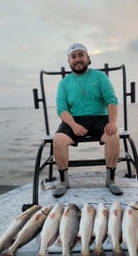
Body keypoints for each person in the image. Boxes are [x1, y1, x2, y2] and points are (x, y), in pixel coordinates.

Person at [52, 43, 123, 197]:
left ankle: (110, 180)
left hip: (100, 118)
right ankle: (64, 181)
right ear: (69, 61)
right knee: (58, 139)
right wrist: (73, 125)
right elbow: (62, 109)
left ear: (88, 58)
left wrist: (112, 122)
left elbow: (112, 100)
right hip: (73, 120)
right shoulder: (64, 83)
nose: (77, 59)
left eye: (80, 55)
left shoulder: (99, 76)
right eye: (73, 56)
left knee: (113, 136)